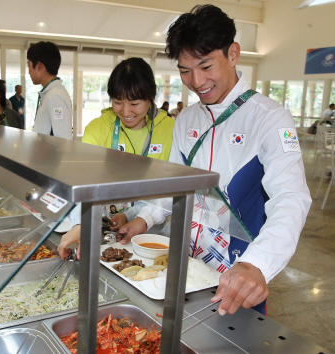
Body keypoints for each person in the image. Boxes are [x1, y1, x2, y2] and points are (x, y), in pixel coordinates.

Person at [115, 5, 311, 316]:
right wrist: (146, 219)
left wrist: (256, 264)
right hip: (184, 266)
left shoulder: (271, 119)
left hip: (237, 272)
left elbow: (291, 199)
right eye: (184, 70)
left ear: (233, 53)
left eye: (206, 66)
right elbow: (174, 182)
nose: (196, 81)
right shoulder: (187, 118)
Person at [57, 57, 174, 259]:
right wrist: (81, 223)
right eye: (117, 102)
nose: (126, 112)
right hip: (101, 230)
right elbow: (81, 183)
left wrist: (132, 216)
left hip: (153, 235)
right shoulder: (98, 129)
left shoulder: (170, 130)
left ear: (151, 97)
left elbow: (170, 191)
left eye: (135, 103)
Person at [27, 41, 73, 139]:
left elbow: (63, 139)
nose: (28, 72)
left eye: (29, 66)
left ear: (39, 66)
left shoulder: (54, 96)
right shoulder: (51, 92)